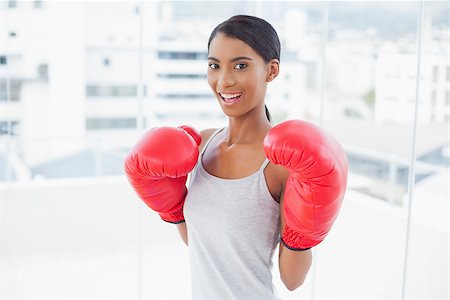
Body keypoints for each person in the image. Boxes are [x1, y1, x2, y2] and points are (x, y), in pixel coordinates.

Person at [124, 15, 348, 300]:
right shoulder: (201, 145)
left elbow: (292, 280)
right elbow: (199, 244)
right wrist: (171, 209)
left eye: (240, 65)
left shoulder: (281, 165)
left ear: (272, 70)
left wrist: (302, 237)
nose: (224, 80)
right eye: (214, 66)